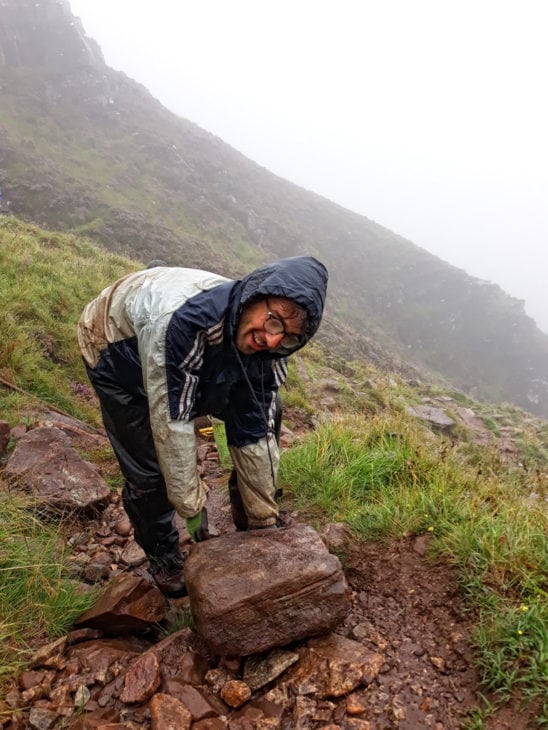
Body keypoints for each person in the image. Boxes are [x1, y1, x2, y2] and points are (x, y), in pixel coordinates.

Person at [77, 255, 328, 597]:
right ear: (254, 297)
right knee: (149, 470)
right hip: (116, 348)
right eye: (273, 322)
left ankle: (249, 513)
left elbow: (255, 429)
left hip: (203, 349)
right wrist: (193, 511)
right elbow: (172, 422)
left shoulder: (271, 352)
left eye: (288, 337)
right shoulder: (181, 326)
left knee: (269, 409)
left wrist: (263, 519)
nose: (273, 340)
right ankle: (164, 556)